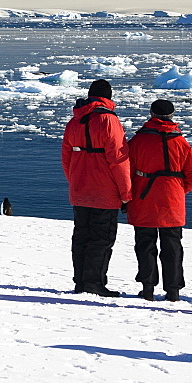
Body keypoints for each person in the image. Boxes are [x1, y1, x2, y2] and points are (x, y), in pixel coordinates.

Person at [61, 79, 131, 297]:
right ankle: (94, 283)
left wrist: (75, 181)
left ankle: (80, 282)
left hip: (79, 190)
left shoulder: (74, 121)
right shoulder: (109, 121)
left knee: (81, 236)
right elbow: (119, 160)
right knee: (101, 238)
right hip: (105, 192)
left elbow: (66, 158)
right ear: (108, 97)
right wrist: (126, 193)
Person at [126, 99, 192, 302]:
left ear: (151, 114)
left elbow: (127, 172)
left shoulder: (138, 141)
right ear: (172, 115)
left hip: (144, 199)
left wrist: (127, 196)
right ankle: (173, 290)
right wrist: (178, 191)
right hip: (172, 200)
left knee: (145, 244)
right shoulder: (181, 142)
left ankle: (148, 287)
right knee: (173, 247)